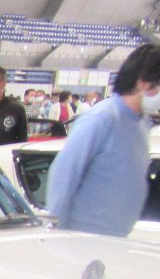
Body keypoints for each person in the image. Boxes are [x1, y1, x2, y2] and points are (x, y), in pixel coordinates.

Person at [48, 44, 160, 237]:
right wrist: (56, 231)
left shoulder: (141, 123)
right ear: (143, 83)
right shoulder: (101, 119)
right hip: (83, 238)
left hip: (116, 237)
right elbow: (65, 174)